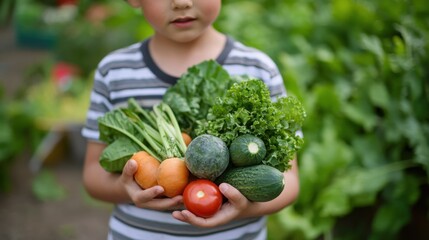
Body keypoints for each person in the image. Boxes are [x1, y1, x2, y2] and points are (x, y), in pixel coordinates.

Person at [81, 0, 300, 239]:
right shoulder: (114, 72)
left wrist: (244, 208)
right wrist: (125, 188)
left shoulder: (259, 69)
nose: (181, 2)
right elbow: (93, 175)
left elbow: (288, 181)